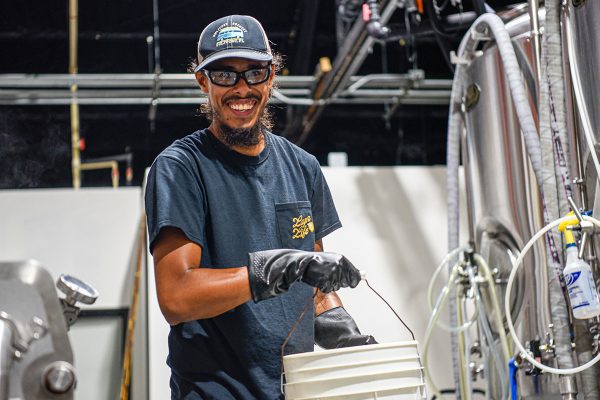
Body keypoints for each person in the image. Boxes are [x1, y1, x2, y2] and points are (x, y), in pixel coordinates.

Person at [145, 14, 376, 400]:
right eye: (224, 75)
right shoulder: (181, 168)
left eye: (253, 73)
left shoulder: (303, 167)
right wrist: (273, 269)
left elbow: (312, 285)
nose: (241, 88)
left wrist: (344, 334)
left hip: (295, 390)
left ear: (271, 76)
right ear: (203, 81)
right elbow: (177, 297)